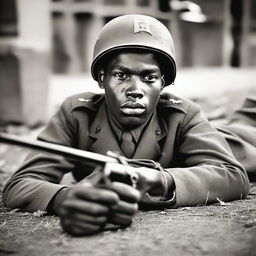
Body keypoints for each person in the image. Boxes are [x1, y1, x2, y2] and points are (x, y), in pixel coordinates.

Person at [2, 14, 250, 236]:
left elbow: (233, 175)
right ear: (102, 78)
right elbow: (20, 184)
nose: (135, 90)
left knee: (247, 132)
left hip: (233, 142)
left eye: (149, 77)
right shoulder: (77, 114)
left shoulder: (182, 114)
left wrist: (158, 180)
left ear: (163, 83)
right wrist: (63, 198)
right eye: (121, 75)